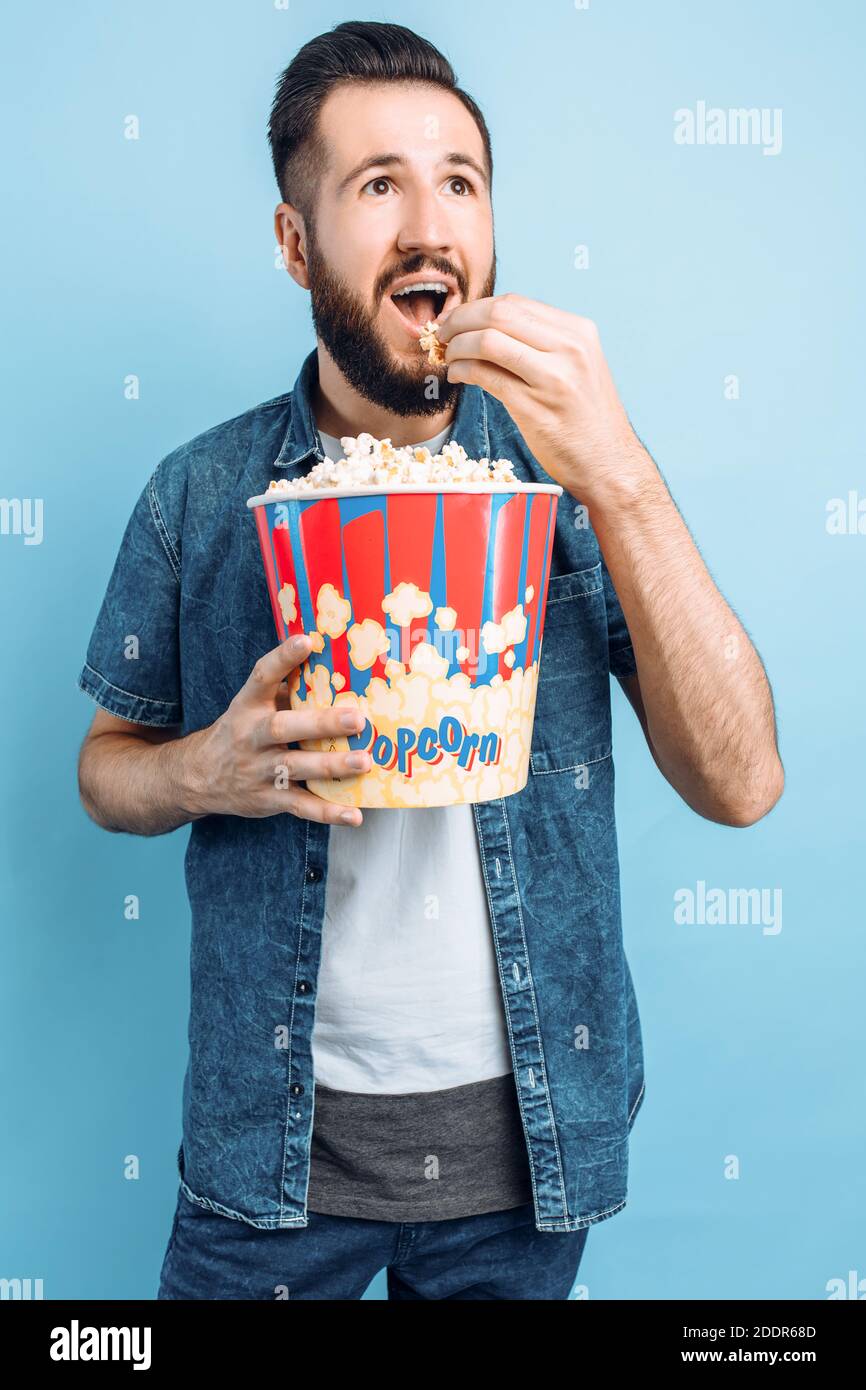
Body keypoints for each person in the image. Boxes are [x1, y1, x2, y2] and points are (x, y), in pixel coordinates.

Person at [76, 20, 784, 1301]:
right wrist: (204, 772)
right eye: (377, 184)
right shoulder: (199, 495)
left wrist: (616, 474)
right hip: (269, 1157)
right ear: (295, 244)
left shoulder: (574, 485)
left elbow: (740, 782)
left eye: (458, 180)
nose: (429, 224)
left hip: (527, 1168)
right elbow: (103, 773)